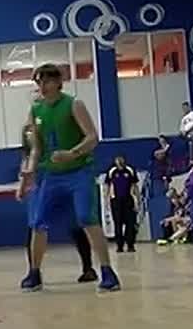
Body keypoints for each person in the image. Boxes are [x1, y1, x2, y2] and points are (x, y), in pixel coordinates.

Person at [18, 63, 120, 292]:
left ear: (58, 82)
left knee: (86, 217)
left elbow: (92, 137)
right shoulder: (35, 111)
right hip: (51, 175)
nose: (42, 86)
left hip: (79, 171)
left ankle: (107, 271)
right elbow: (36, 148)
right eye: (39, 82)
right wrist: (29, 173)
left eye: (46, 81)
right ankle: (34, 273)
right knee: (38, 222)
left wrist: (71, 153)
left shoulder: (74, 104)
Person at [20, 123, 96, 282]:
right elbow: (26, 174)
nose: (30, 135)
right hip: (38, 191)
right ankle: (34, 271)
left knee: (76, 226)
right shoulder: (28, 156)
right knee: (35, 228)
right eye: (27, 133)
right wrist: (22, 188)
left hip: (59, 186)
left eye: (32, 132)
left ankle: (88, 267)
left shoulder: (52, 149)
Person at [105, 154, 140, 253]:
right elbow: (107, 186)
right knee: (118, 223)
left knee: (130, 223)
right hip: (116, 200)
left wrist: (138, 199)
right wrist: (107, 200)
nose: (119, 161)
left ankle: (130, 244)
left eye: (121, 160)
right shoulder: (112, 171)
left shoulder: (130, 170)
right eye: (118, 160)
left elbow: (135, 185)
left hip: (128, 200)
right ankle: (119, 245)